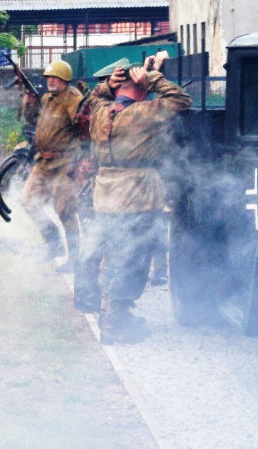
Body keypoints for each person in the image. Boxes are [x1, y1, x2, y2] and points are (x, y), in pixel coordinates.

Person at [75, 51, 191, 344]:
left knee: (113, 256)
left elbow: (92, 101)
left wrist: (108, 86)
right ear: (140, 87)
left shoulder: (102, 112)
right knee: (133, 260)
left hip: (107, 194)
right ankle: (115, 325)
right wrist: (153, 78)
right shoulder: (143, 113)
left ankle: (113, 314)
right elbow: (182, 101)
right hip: (136, 196)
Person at [19, 60, 83, 269]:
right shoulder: (47, 98)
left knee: (65, 211)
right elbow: (33, 121)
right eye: (48, 78)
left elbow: (83, 128)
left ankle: (74, 258)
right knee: (28, 201)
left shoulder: (73, 99)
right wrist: (29, 102)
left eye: (54, 77)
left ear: (64, 78)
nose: (50, 81)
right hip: (43, 161)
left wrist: (80, 160)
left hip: (64, 163)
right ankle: (53, 242)